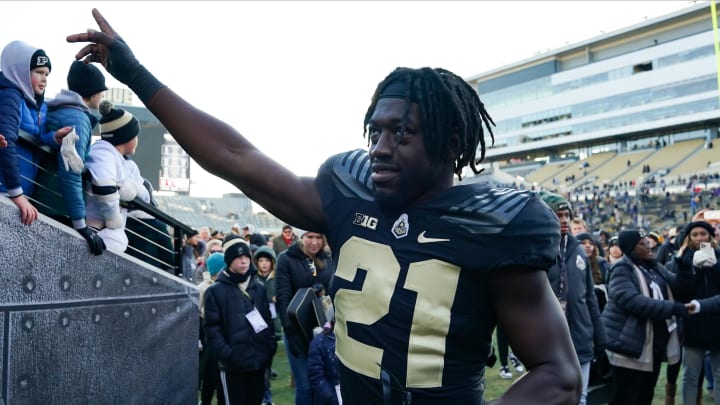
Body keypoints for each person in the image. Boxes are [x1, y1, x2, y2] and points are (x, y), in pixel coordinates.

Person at [68, 11, 583, 403]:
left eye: (402, 132)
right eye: (376, 130)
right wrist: (134, 72)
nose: (380, 146)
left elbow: (558, 373)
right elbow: (235, 157)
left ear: (451, 144)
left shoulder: (492, 225)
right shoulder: (346, 193)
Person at [601, 229, 691, 405]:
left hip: (652, 345)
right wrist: (673, 308)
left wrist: (684, 267)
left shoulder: (654, 266)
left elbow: (679, 287)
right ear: (631, 248)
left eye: (648, 242)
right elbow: (632, 301)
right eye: (643, 243)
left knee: (645, 396)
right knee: (627, 398)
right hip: (629, 344)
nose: (650, 245)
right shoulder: (622, 268)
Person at [32, 60, 108, 255]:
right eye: (101, 91)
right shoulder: (78, 119)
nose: (101, 96)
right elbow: (71, 170)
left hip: (43, 198)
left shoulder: (59, 109)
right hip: (57, 206)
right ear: (93, 92)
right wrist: (81, 223)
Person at [539, 192, 606, 405]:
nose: (565, 220)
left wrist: (600, 334)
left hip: (581, 335)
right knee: (554, 397)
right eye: (558, 215)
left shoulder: (578, 250)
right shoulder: (537, 250)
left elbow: (589, 297)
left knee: (581, 397)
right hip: (548, 339)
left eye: (567, 214)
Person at [0, 40, 72, 225]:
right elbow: (5, 141)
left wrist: (54, 138)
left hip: (19, 189)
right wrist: (16, 193)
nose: (44, 78)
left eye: (47, 74)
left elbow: (34, 137)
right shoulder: (11, 95)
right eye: (39, 72)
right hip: (7, 189)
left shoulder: (39, 105)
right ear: (22, 72)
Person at [203, 239, 277, 405]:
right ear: (229, 260)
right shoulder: (216, 291)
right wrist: (228, 355)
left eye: (246, 256)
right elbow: (212, 330)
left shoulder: (259, 288)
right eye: (238, 257)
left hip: (258, 363)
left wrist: (268, 348)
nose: (243, 261)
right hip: (233, 368)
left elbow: (267, 322)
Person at [276, 231, 335, 405]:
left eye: (319, 238)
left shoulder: (328, 259)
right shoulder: (286, 258)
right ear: (301, 237)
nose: (314, 242)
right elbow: (283, 296)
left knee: (324, 384)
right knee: (305, 385)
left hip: (323, 331)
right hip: (297, 331)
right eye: (310, 237)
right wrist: (290, 331)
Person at [84, 100, 150, 253]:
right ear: (126, 137)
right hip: (96, 227)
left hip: (110, 231)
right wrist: (113, 217)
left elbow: (146, 198)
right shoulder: (102, 153)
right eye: (135, 135)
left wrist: (134, 189)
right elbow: (103, 184)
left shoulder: (128, 163)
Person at [671, 220, 720, 405]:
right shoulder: (683, 259)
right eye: (695, 235)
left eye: (703, 234)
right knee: (690, 374)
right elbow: (680, 292)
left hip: (717, 322)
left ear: (710, 236)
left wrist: (714, 267)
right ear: (689, 238)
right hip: (693, 323)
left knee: (719, 373)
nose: (700, 238)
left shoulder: (719, 256)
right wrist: (686, 267)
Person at [253, 245, 280, 405]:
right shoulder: (253, 279)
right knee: (261, 366)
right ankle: (264, 398)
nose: (263, 264)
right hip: (257, 327)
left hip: (274, 326)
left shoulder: (276, 279)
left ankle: (266, 396)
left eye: (267, 261)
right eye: (261, 260)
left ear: (272, 262)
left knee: (268, 365)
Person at [198, 252, 225, 405]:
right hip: (206, 332)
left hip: (222, 331)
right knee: (209, 374)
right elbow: (197, 311)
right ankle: (205, 400)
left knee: (222, 375)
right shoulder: (202, 288)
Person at [308, 321, 341, 405]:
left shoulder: (355, 338)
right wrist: (332, 398)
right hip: (331, 398)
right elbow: (316, 376)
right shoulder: (319, 343)